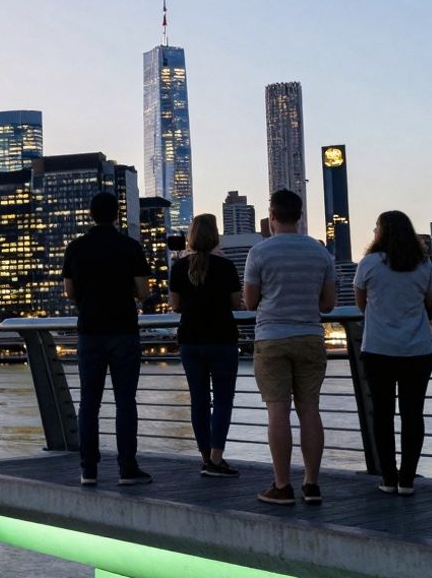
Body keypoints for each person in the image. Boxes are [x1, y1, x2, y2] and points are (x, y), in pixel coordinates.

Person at [243, 189, 336, 506]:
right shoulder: (320, 253)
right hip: (310, 335)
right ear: (299, 216)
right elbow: (328, 304)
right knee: (310, 409)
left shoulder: (259, 253)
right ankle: (312, 484)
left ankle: (282, 486)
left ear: (272, 216)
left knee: (277, 411)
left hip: (271, 337)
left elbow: (251, 301)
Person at [62, 191, 153, 487]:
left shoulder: (75, 248)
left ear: (91, 214)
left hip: (90, 331)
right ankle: (127, 468)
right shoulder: (130, 247)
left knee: (90, 402)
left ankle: (88, 469)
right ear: (116, 215)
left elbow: (70, 291)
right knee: (125, 400)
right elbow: (143, 292)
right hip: (124, 331)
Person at [354, 210, 432, 495]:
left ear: (382, 232)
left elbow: (361, 304)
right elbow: (429, 301)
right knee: (414, 414)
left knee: (383, 414)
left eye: (375, 228)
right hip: (418, 349)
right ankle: (408, 480)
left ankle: (388, 478)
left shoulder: (368, 264)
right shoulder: (423, 264)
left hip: (379, 348)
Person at [170, 214, 244, 478]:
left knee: (199, 401)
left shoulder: (178, 268)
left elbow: (175, 305)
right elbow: (237, 303)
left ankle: (204, 457)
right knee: (223, 399)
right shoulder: (226, 267)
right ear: (214, 236)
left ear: (191, 236)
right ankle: (216, 458)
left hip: (190, 339)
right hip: (222, 339)